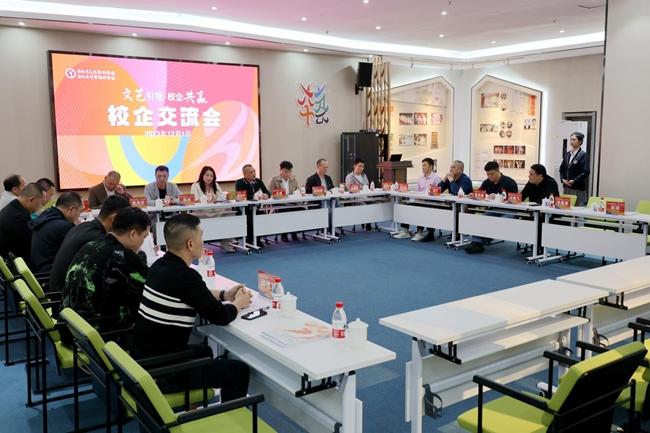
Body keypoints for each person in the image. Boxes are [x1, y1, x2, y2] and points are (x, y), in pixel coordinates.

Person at [131, 213, 252, 402]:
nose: (203, 242)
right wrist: (239, 303)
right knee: (238, 370)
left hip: (142, 358)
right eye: (201, 236)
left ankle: (194, 406)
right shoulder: (186, 276)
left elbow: (192, 294)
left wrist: (224, 295)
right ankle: (230, 416)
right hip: (163, 371)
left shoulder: (159, 266)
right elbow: (220, 316)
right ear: (190, 244)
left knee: (205, 351)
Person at [62, 207, 150, 333]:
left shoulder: (91, 245)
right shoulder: (124, 258)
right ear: (133, 234)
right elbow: (149, 289)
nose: (142, 242)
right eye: (144, 237)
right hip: (97, 332)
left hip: (70, 325)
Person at [49, 195, 131, 293]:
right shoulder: (97, 240)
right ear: (114, 218)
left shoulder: (82, 227)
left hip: (58, 290)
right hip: (66, 296)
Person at [465, 161, 519, 254]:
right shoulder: (487, 182)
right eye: (488, 174)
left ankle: (483, 240)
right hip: (494, 209)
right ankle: (476, 243)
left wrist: (499, 197)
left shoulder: (510, 182)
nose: (490, 176)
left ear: (498, 170)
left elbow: (515, 198)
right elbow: (480, 192)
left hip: (509, 210)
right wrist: (474, 195)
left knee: (501, 222)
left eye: (492, 174)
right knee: (482, 219)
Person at [30, 191, 83, 274]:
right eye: (80, 211)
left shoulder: (47, 215)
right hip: (49, 274)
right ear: (71, 209)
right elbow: (80, 248)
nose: (79, 216)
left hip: (39, 268)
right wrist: (77, 227)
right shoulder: (63, 226)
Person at [393, 158, 442, 241]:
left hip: (430, 202)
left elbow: (437, 192)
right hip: (420, 200)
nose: (423, 167)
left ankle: (419, 232)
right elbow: (419, 191)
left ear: (431, 166)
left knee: (421, 208)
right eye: (422, 165)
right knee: (407, 206)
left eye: (425, 165)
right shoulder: (420, 178)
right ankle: (405, 231)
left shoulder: (436, 178)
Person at [190, 166, 236, 253]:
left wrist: (223, 197)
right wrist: (205, 199)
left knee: (230, 212)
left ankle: (227, 242)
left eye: (211, 176)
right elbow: (195, 200)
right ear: (202, 175)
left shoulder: (216, 185)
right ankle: (198, 246)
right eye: (207, 175)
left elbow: (221, 197)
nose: (209, 178)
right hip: (201, 212)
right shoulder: (195, 185)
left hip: (215, 210)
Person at [0, 182, 45, 264]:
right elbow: (28, 249)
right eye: (41, 204)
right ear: (31, 200)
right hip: (14, 263)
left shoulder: (13, 208)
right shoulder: (19, 218)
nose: (40, 208)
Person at [235, 165, 270, 246]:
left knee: (263, 217)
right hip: (244, 211)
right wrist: (255, 196)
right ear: (245, 174)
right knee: (251, 219)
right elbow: (242, 196)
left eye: (254, 171)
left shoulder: (258, 181)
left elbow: (267, 192)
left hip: (256, 209)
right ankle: (250, 239)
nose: (254, 173)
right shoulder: (239, 183)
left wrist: (266, 195)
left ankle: (257, 239)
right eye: (251, 172)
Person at [268, 161, 300, 241]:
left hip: (292, 204)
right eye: (285, 172)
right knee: (286, 211)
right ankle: (284, 234)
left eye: (289, 172)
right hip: (279, 204)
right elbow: (270, 194)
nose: (288, 174)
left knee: (299, 210)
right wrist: (280, 195)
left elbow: (297, 191)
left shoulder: (293, 180)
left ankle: (294, 232)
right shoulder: (274, 180)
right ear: (280, 170)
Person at [559, 132, 590, 206]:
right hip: (566, 186)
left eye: (574, 139)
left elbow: (586, 171)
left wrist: (574, 180)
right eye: (571, 139)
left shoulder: (583, 155)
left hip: (577, 187)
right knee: (565, 208)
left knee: (578, 208)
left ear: (580, 142)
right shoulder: (567, 154)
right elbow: (561, 169)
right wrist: (562, 179)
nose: (571, 141)